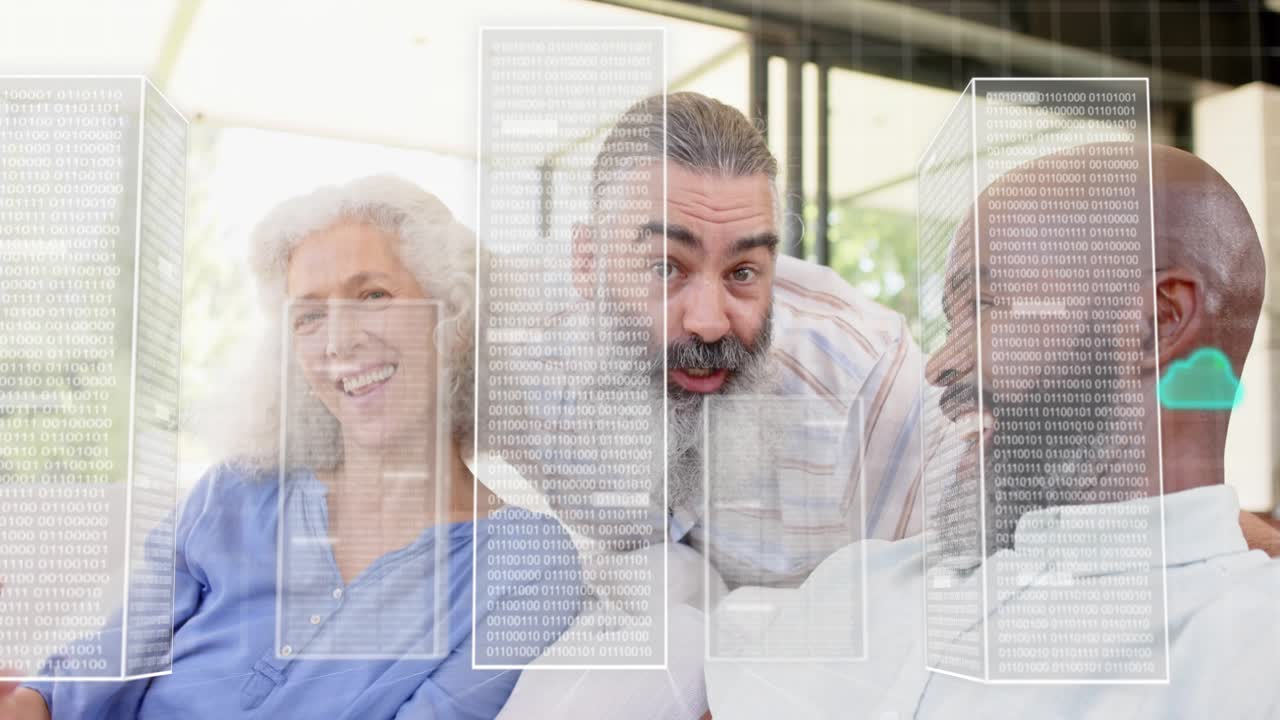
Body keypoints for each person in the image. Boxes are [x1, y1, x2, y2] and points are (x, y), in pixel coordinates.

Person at [703, 145, 1280, 718]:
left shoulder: (1246, 655)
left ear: (1158, 320)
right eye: (954, 321)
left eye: (985, 304)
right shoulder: (865, 580)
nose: (939, 365)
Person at [0, 176, 581, 720]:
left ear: (456, 318)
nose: (338, 340)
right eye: (308, 316)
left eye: (374, 295)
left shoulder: (525, 565)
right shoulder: (238, 490)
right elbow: (87, 675)